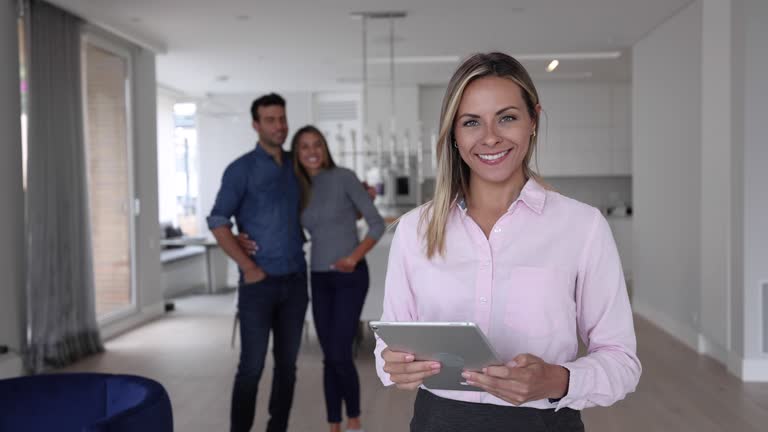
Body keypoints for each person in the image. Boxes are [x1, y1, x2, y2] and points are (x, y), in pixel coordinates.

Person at [374, 52, 641, 432]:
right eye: (471, 122)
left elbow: (621, 362)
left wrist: (555, 380)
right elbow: (390, 347)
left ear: (533, 119)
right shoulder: (415, 230)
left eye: (507, 117)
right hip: (439, 421)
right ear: (453, 133)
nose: (490, 137)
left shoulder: (583, 227)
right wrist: (396, 366)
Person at [241, 125, 385, 432]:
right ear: (297, 154)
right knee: (328, 355)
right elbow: (275, 223)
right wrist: (242, 235)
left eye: (317, 144)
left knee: (338, 352)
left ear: (325, 148)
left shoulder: (344, 177)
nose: (312, 152)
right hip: (318, 277)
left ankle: (355, 418)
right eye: (304, 146)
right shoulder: (296, 187)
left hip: (350, 276)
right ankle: (334, 421)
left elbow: (375, 224)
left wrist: (353, 257)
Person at [207, 93, 308, 432]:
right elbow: (218, 221)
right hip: (259, 284)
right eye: (270, 120)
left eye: (282, 118)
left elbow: (328, 192)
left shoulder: (298, 165)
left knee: (287, 367)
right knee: (251, 367)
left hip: (296, 281)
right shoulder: (240, 170)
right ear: (256, 125)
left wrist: (360, 193)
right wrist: (248, 266)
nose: (279, 126)